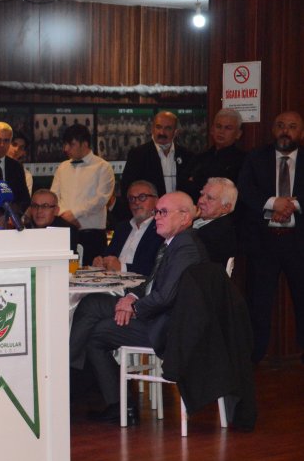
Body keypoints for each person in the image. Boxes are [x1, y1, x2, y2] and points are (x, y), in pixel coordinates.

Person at [70, 192, 208, 423]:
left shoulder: (185, 246)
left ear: (185, 217)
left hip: (169, 326)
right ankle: (112, 399)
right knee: (92, 305)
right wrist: (131, 297)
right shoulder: (174, 242)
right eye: (157, 212)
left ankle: (80, 379)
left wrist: (134, 308)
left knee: (96, 330)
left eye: (163, 212)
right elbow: (152, 282)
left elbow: (165, 296)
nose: (157, 217)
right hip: (158, 315)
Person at [237, 110, 304, 363]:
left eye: (292, 126)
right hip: (263, 243)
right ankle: (255, 357)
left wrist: (291, 206)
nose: (285, 131)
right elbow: (245, 190)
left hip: (298, 243)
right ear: (273, 130)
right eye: (280, 125)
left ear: (301, 133)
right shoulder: (256, 158)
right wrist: (273, 203)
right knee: (258, 302)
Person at [50, 124, 115, 264]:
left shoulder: (103, 167)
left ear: (84, 144)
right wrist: (64, 215)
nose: (66, 149)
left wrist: (74, 214)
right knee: (63, 272)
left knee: (94, 273)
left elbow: (101, 199)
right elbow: (53, 197)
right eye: (65, 144)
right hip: (64, 231)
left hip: (92, 234)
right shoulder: (62, 167)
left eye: (71, 144)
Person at [92, 180, 163, 276]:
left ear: (156, 200)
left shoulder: (160, 228)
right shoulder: (122, 228)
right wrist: (101, 261)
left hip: (141, 284)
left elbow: (157, 267)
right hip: (112, 280)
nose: (136, 202)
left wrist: (122, 268)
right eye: (131, 198)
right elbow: (108, 255)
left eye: (142, 197)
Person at [121, 111, 193, 203]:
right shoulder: (138, 155)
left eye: (168, 128)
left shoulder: (187, 156)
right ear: (152, 129)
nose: (162, 132)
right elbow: (127, 189)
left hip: (179, 210)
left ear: (176, 132)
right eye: (158, 127)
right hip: (151, 210)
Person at [178, 108, 246, 197]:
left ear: (238, 134)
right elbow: (183, 186)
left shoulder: (244, 161)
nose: (221, 131)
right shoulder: (199, 159)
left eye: (228, 128)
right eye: (218, 126)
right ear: (212, 130)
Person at [193, 177, 238, 267]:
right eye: (202, 195)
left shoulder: (216, 233)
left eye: (209, 198)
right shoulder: (200, 221)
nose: (201, 201)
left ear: (226, 207)